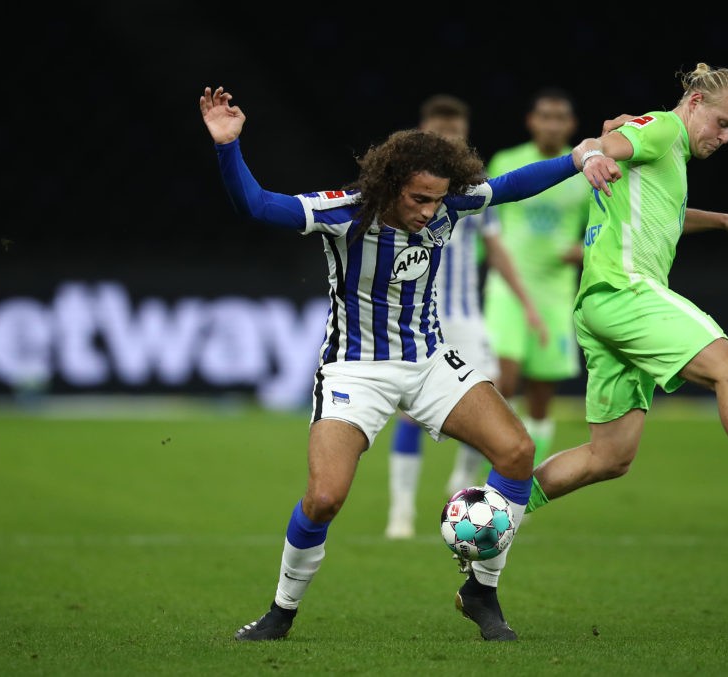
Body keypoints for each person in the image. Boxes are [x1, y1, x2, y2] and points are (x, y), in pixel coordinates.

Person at [197, 85, 619, 642]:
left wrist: (577, 155)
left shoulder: (448, 203)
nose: (429, 211)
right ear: (390, 186)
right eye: (418, 199)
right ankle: (280, 612)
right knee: (325, 497)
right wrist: (228, 146)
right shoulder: (344, 213)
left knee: (517, 452)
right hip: (355, 369)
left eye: (437, 200)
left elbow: (511, 186)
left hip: (428, 360)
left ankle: (481, 592)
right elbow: (256, 205)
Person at [524, 63, 728, 541]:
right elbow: (602, 147)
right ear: (696, 103)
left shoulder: (670, 154)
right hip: (627, 290)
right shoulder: (661, 128)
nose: (726, 137)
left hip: (600, 305)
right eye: (723, 123)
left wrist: (726, 221)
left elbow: (664, 214)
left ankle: (492, 507)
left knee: (608, 458)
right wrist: (595, 153)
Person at [385, 94, 547, 539]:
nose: (448, 141)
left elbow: (496, 251)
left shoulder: (476, 191)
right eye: (439, 134)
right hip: (418, 318)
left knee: (491, 401)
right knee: (410, 416)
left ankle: (462, 480)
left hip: (466, 316)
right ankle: (400, 513)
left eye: (455, 134)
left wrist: (528, 305)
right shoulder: (404, 193)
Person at [483, 87, 592, 469]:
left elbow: (604, 226)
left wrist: (585, 248)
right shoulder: (508, 160)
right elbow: (486, 218)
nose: (551, 124)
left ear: (571, 125)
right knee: (503, 380)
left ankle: (524, 479)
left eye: (559, 118)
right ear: (532, 121)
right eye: (544, 116)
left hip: (555, 293)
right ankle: (489, 471)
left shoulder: (585, 172)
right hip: (507, 289)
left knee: (541, 397)